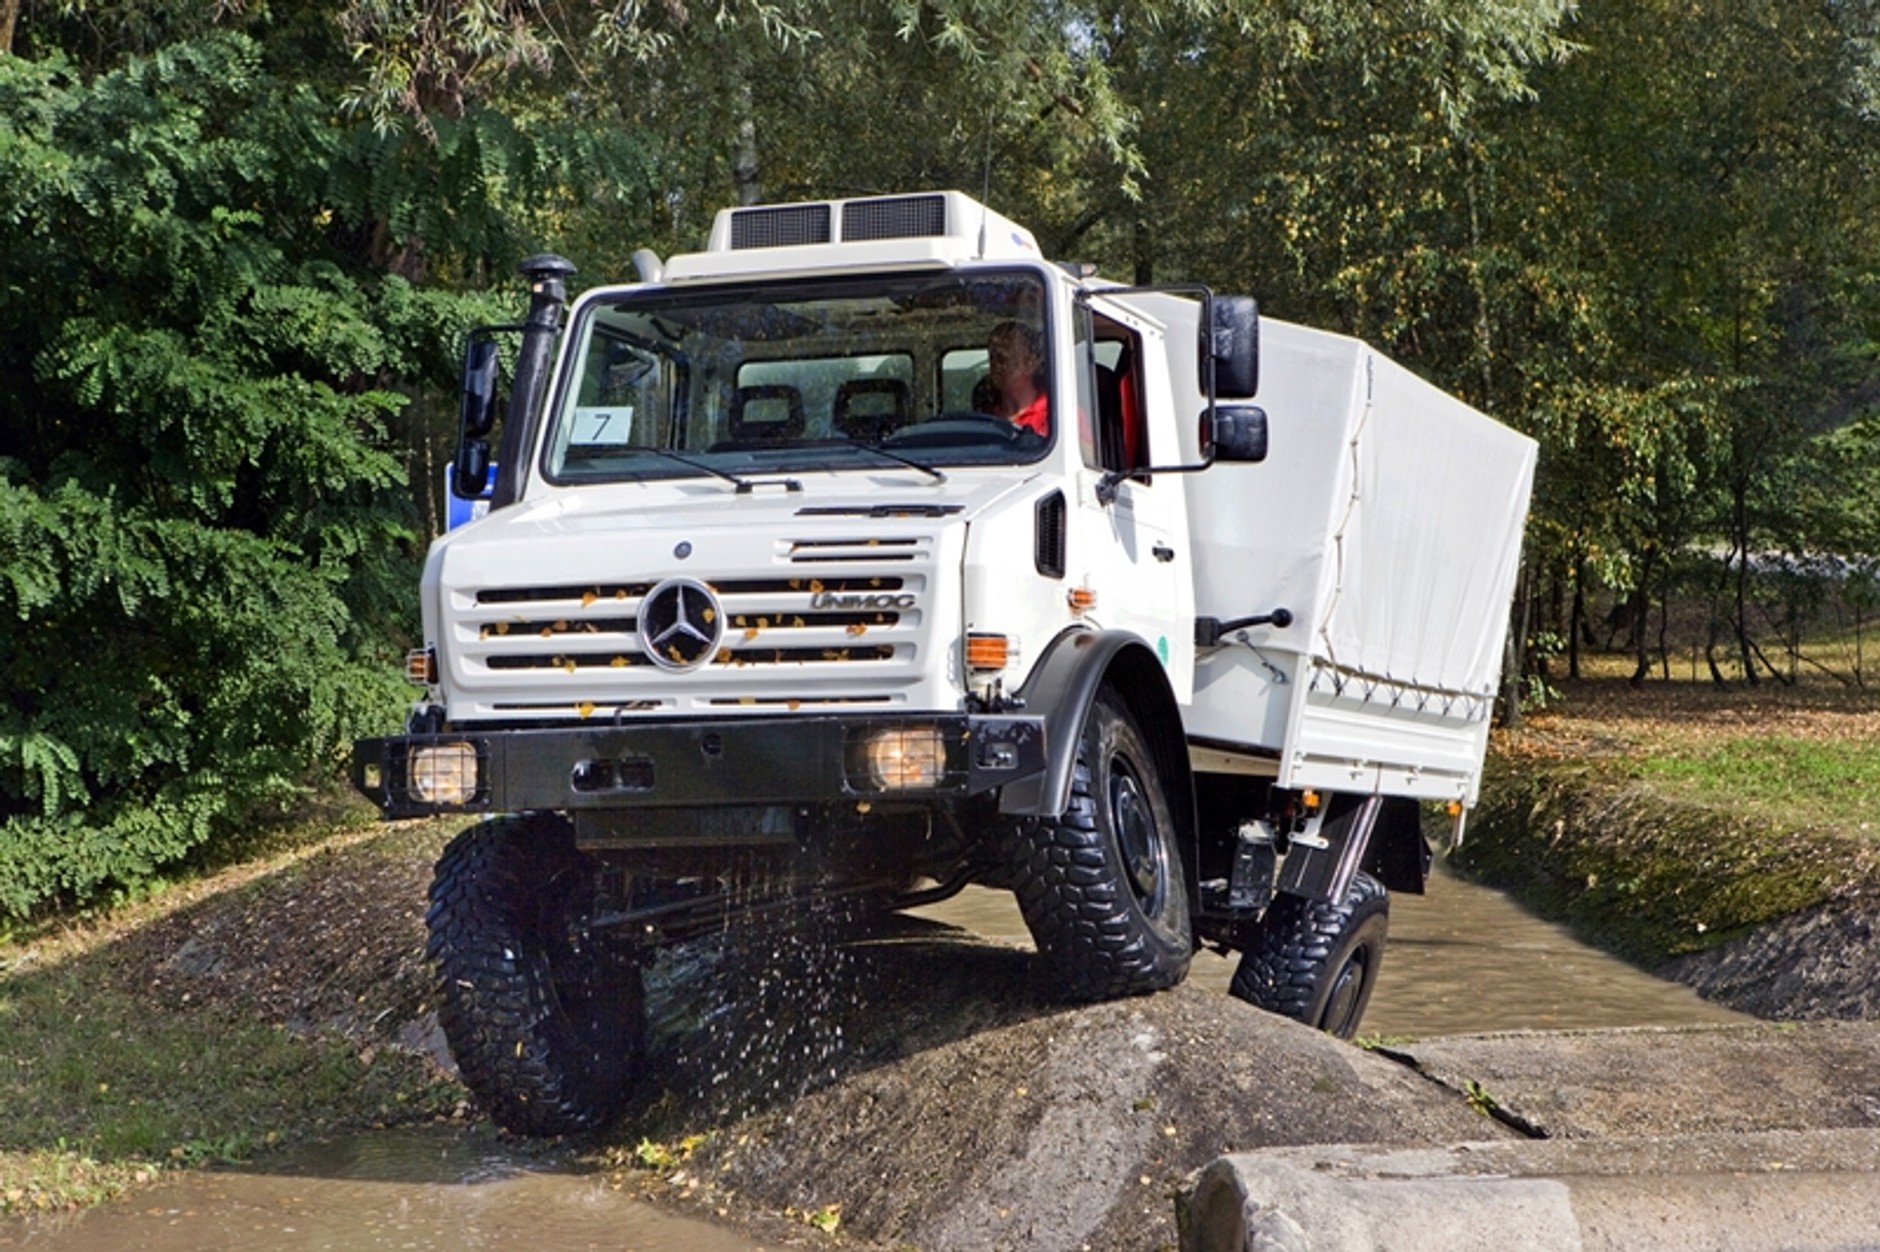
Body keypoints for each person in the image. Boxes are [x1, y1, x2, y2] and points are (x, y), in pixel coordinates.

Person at [985, 320, 1048, 436]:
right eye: (993, 357)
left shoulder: (1058, 413)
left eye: (1006, 357)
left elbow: (1086, 451)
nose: (998, 365)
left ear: (1031, 363)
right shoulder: (985, 421)